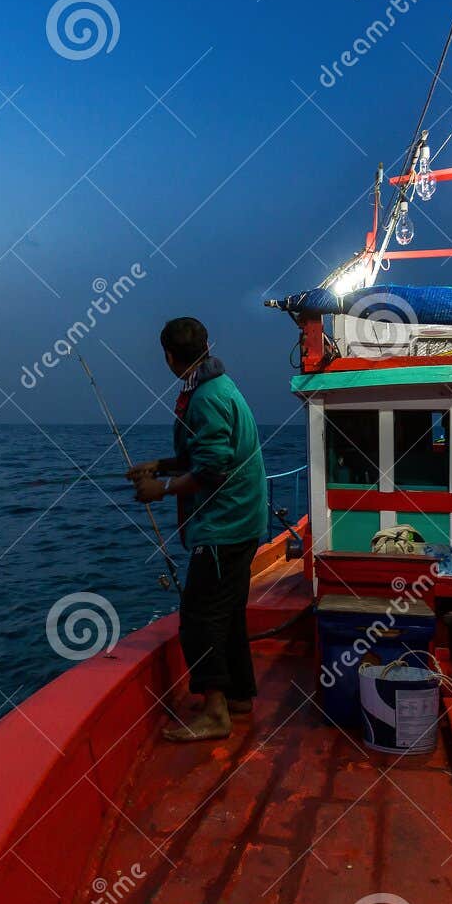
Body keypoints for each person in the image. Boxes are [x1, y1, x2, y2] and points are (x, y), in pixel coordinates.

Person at [127, 317, 267, 742]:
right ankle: (239, 694)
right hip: (245, 519)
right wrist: (162, 464)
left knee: (199, 617)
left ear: (169, 357)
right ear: (207, 346)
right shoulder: (221, 386)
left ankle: (215, 712)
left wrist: (161, 488)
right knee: (227, 614)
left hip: (224, 524)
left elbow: (213, 468)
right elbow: (206, 451)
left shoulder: (205, 397)